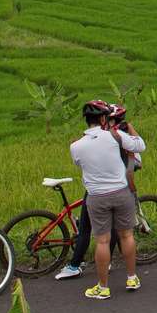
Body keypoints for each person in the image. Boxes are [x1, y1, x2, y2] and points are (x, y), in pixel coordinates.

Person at [57, 102, 145, 281]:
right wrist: (130, 128)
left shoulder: (76, 146)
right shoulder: (115, 136)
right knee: (126, 235)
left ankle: (101, 285)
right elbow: (140, 146)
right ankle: (132, 277)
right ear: (104, 118)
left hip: (96, 196)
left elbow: (79, 163)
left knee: (100, 240)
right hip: (121, 192)